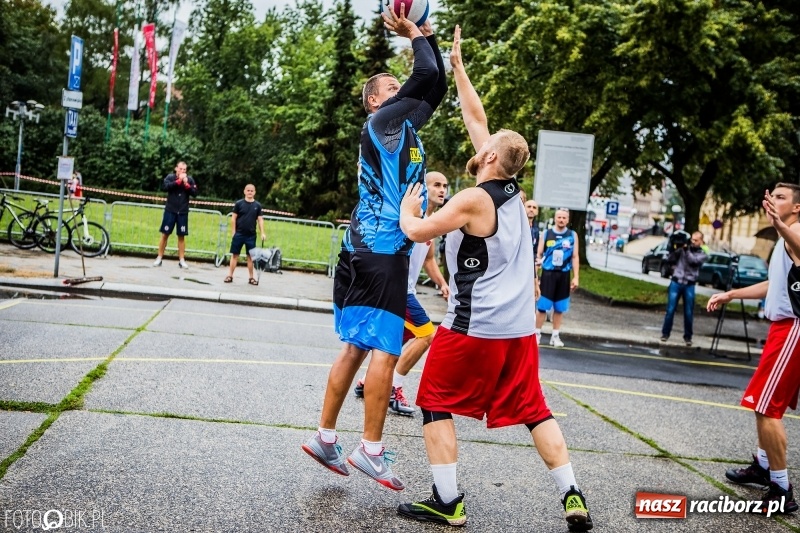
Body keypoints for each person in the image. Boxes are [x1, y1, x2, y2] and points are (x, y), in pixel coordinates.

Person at [394, 25, 593, 531]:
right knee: (535, 411)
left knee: (433, 401)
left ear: (488, 159)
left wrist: (406, 209)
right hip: (520, 331)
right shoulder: (509, 194)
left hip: (473, 327)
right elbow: (476, 117)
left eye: (485, 145)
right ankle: (572, 494)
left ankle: (448, 501)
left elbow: (418, 232)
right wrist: (457, 67)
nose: (479, 140)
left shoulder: (473, 199)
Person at [301, 7, 447, 492]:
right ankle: (371, 449)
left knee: (359, 344)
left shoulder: (407, 129)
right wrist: (412, 33)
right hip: (379, 248)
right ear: (373, 103)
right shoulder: (383, 124)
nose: (398, 88)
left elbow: (435, 84)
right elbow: (423, 72)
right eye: (388, 86)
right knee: (385, 347)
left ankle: (325, 438)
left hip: (374, 247)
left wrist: (425, 32)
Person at [707, 183, 800, 515]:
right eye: (772, 195)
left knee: (767, 408)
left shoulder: (794, 232)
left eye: (781, 197)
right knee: (763, 405)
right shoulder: (784, 238)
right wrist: (731, 295)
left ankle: (781, 489)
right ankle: (763, 466)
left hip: (793, 329)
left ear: (796, 206)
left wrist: (780, 225)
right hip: (781, 329)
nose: (773, 200)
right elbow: (773, 285)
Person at [353, 171, 451, 416]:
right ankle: (394, 388)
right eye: (436, 185)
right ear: (423, 189)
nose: (442, 190)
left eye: (445, 186)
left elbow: (428, 259)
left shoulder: (432, 221)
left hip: (405, 289)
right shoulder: (410, 217)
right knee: (427, 335)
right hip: (396, 289)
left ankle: (366, 381)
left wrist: (441, 283)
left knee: (400, 338)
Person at [535, 208, 580, 347]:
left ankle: (555, 336)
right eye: (559, 217)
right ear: (555, 218)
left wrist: (576, 277)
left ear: (568, 219)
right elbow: (539, 255)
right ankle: (536, 334)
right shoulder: (547, 234)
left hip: (564, 275)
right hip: (548, 274)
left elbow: (575, 256)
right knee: (542, 307)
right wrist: (536, 276)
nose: (561, 220)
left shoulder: (572, 235)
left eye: (564, 218)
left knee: (560, 307)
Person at [660, 231, 707, 346]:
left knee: (688, 312)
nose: (693, 242)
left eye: (696, 240)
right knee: (670, 309)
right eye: (692, 240)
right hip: (676, 281)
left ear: (701, 241)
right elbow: (670, 259)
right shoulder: (683, 249)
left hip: (689, 284)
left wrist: (686, 250)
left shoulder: (702, 254)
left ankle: (688, 336)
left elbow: (693, 261)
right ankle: (665, 334)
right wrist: (676, 249)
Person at [153, 161, 197, 269]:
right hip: (170, 210)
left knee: (181, 236)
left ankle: (182, 260)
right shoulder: (170, 177)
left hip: (182, 211)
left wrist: (186, 184)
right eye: (181, 169)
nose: (182, 171)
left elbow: (195, 192)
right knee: (165, 234)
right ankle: (159, 258)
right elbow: (165, 187)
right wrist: (178, 181)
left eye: (184, 170)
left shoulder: (190, 179)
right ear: (176, 169)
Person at [224, 184, 266, 285]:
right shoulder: (239, 204)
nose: (250, 192)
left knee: (250, 257)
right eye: (248, 190)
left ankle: (251, 277)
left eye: (252, 191)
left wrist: (262, 233)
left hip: (251, 235)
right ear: (244, 191)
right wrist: (233, 232)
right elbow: (233, 218)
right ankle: (230, 275)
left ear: (254, 192)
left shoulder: (257, 206)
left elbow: (260, 220)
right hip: (239, 234)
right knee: (234, 255)